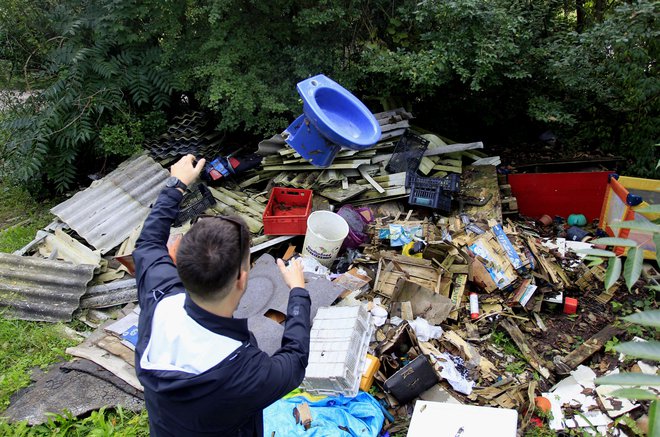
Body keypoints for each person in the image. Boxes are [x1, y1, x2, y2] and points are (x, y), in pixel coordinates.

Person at [133, 154, 311, 436]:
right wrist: (298, 291)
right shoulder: (245, 372)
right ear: (242, 278)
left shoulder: (158, 298)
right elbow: (295, 359)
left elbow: (148, 242)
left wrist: (176, 184)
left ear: (177, 264)